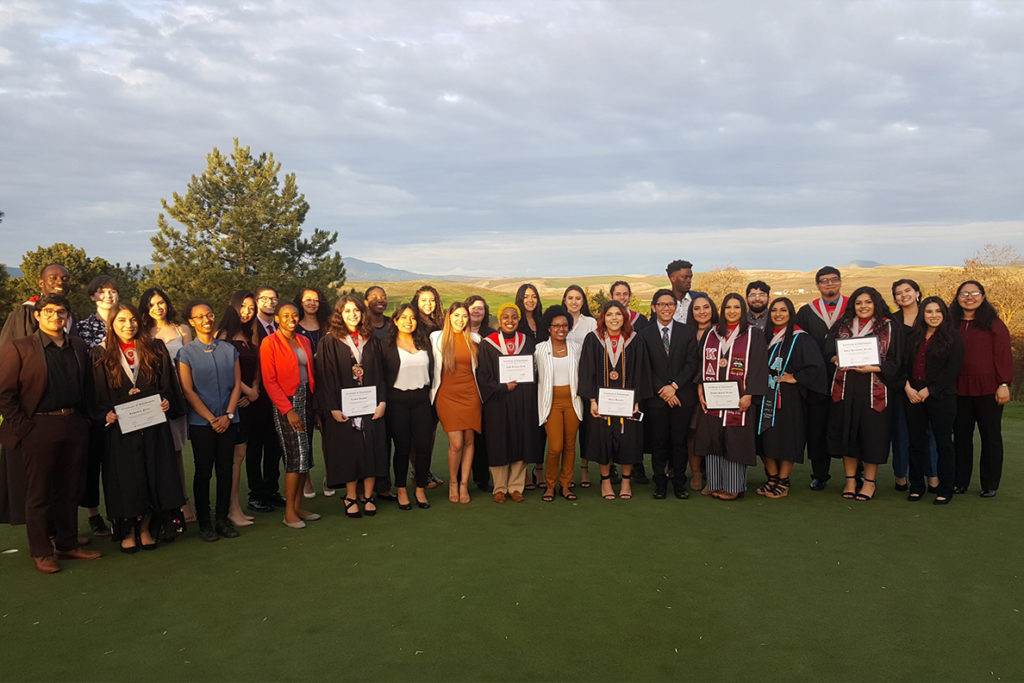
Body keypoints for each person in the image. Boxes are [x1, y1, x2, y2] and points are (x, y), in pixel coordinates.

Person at [0, 293, 101, 573]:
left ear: (67, 316)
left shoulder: (79, 347)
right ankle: (42, 550)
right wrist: (23, 427)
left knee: (70, 489)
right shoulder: (19, 348)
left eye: (61, 312)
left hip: (74, 425)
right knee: (39, 493)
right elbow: (5, 394)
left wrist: (86, 422)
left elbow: (88, 390)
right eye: (50, 312)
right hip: (38, 427)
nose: (56, 317)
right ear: (38, 315)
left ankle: (67, 545)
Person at [90, 303, 185, 552]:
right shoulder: (101, 354)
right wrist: (106, 415)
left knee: (155, 476)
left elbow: (168, 385)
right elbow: (96, 395)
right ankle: (129, 530)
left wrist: (167, 402)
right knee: (127, 481)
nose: (128, 325)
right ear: (111, 324)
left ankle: (147, 529)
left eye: (132, 320)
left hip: (154, 427)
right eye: (121, 320)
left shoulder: (155, 349)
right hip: (121, 431)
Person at [0, 263, 73, 529]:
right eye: (53, 277)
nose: (59, 281)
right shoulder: (22, 314)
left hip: (66, 418)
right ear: (40, 283)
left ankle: (64, 539)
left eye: (64, 278)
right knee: (36, 488)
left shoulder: (68, 316)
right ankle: (44, 544)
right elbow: (7, 375)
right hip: (33, 416)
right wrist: (22, 424)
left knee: (65, 485)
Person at [825, 286, 902, 502]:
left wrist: (874, 367)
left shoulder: (889, 327)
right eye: (859, 303)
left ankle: (869, 482)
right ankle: (850, 479)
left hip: (875, 389)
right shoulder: (843, 325)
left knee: (872, 437)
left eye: (868, 302)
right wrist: (835, 359)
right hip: (846, 389)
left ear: (876, 303)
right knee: (848, 434)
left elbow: (897, 361)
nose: (863, 306)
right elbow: (828, 350)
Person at [315, 296, 388, 518]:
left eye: (356, 310)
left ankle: (368, 496)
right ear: (340, 315)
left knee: (372, 449)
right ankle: (350, 496)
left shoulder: (371, 340)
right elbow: (325, 378)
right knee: (349, 451)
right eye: (347, 311)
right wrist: (332, 408)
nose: (353, 315)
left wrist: (382, 401)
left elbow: (382, 374)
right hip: (344, 408)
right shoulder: (329, 342)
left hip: (371, 405)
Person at [177, 301, 242, 542]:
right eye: (200, 317)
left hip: (229, 420)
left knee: (225, 471)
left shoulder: (228, 349)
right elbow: (188, 390)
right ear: (192, 322)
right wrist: (211, 418)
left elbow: (236, 385)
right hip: (202, 424)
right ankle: (205, 522)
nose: (206, 319)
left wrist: (228, 415)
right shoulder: (186, 353)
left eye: (210, 315)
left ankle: (222, 519)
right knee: (203, 472)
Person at [695, 294, 768, 501]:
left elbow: (759, 366)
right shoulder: (712, 333)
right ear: (722, 309)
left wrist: (749, 394)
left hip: (739, 401)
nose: (732, 311)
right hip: (713, 399)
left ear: (743, 310)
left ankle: (734, 486)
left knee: (735, 442)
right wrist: (700, 388)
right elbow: (700, 363)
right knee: (713, 440)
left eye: (737, 307)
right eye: (728, 307)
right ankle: (714, 483)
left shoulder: (753, 334)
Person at [578, 301, 652, 501]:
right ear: (603, 317)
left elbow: (640, 373)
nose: (614, 318)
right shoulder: (593, 339)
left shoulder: (635, 340)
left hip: (627, 404)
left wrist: (636, 401)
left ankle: (626, 481)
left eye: (618, 314)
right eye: (609, 314)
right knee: (603, 441)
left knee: (628, 440)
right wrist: (592, 400)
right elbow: (587, 372)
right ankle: (606, 481)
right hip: (601, 404)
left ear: (624, 317)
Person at [755, 298, 827, 498]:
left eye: (783, 310)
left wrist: (795, 377)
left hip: (787, 398)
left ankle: (784, 480)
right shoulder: (763, 336)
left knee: (786, 438)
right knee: (762, 436)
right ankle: (772, 477)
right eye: (775, 310)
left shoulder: (800, 338)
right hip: (762, 395)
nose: (778, 314)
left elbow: (816, 366)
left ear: (791, 313)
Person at [950, 280, 1013, 497]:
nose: (969, 297)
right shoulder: (950, 324)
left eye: (974, 293)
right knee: (960, 438)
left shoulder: (994, 324)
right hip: (958, 390)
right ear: (957, 298)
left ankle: (989, 484)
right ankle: (960, 481)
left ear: (983, 297)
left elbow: (1003, 356)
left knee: (990, 437)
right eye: (964, 293)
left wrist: (1004, 384)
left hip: (989, 390)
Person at [139, 287, 197, 525]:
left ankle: (183, 502)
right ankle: (157, 505)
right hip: (150, 398)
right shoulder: (141, 333)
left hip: (177, 395)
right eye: (152, 304)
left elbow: (191, 362)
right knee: (152, 453)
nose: (157, 307)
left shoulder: (181, 329)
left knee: (175, 451)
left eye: (161, 302)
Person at [260, 303, 320, 528]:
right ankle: (288, 513)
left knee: (306, 456)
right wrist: (288, 410)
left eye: (294, 314)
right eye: (286, 315)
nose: (291, 318)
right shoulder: (270, 343)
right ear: (277, 318)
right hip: (287, 403)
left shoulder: (303, 340)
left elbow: (311, 373)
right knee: (295, 457)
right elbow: (270, 381)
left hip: (307, 400)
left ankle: (298, 506)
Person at [476, 303, 539, 503]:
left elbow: (533, 373)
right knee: (498, 442)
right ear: (499, 320)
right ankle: (499, 487)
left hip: (522, 399)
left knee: (520, 440)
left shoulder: (527, 342)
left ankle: (516, 486)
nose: (510, 321)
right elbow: (483, 377)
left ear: (518, 320)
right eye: (506, 317)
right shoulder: (488, 344)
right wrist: (503, 387)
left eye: (514, 317)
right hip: (497, 401)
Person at [903, 297, 963, 505]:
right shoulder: (913, 336)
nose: (933, 315)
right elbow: (902, 365)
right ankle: (917, 486)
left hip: (941, 396)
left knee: (943, 443)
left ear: (944, 314)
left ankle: (946, 488)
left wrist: (930, 390)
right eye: (929, 311)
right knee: (916, 442)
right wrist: (908, 387)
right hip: (912, 394)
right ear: (923, 314)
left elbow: (952, 370)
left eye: (938, 311)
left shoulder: (953, 337)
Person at [639, 289, 698, 500]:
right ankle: (660, 483)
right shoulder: (644, 335)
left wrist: (674, 386)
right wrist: (662, 390)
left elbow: (692, 363)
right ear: (654, 307)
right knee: (659, 442)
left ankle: (680, 483)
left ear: (676, 307)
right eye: (662, 304)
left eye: (670, 304)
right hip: (656, 399)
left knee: (679, 442)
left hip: (682, 397)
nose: (666, 308)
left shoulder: (688, 332)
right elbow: (645, 367)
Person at [794, 266, 849, 491]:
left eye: (833, 280)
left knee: (850, 424)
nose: (829, 284)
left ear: (840, 282)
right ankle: (819, 474)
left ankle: (858, 473)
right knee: (817, 427)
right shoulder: (806, 312)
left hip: (848, 378)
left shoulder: (853, 307)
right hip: (816, 380)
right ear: (817, 285)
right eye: (824, 281)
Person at [76, 276, 120, 537]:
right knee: (93, 463)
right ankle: (94, 515)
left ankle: (123, 513)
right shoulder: (82, 328)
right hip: (95, 404)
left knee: (121, 463)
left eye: (113, 291)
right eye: (102, 292)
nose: (108, 296)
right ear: (93, 297)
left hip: (126, 400)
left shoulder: (127, 322)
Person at [213, 291, 260, 527]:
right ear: (233, 307)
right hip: (231, 403)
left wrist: (254, 390)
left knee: (240, 456)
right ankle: (230, 509)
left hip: (249, 402)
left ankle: (236, 507)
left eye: (251, 308)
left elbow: (257, 366)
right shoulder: (222, 336)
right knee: (232, 459)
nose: (247, 311)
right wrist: (245, 391)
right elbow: (224, 370)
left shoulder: (251, 334)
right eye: (243, 307)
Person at [381, 304, 433, 510]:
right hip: (397, 401)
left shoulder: (424, 342)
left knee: (423, 447)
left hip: (421, 400)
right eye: (403, 318)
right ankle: (401, 489)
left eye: (412, 318)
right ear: (395, 321)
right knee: (402, 447)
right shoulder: (386, 345)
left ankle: (420, 488)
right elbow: (381, 377)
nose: (408, 321)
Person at [430, 301, 482, 504]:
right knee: (456, 443)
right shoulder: (437, 338)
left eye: (464, 316)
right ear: (449, 317)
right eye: (456, 316)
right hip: (447, 396)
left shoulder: (475, 339)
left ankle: (464, 485)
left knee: (469, 441)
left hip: (471, 395)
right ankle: (453, 482)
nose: (461, 320)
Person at [889, 279, 938, 492]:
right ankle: (901, 477)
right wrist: (906, 386)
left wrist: (928, 387)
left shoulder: (930, 316)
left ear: (918, 292)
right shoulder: (891, 322)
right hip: (900, 386)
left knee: (930, 434)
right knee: (901, 434)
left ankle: (933, 476)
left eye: (908, 290)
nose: (904, 295)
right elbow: (888, 357)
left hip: (928, 388)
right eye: (898, 293)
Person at [535, 306, 583, 502]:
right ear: (549, 328)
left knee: (570, 446)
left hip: (572, 401)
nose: (561, 329)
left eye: (564, 325)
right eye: (556, 326)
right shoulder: (539, 350)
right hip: (551, 403)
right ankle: (550, 485)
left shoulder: (577, 348)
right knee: (555, 446)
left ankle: (565, 485)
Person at [247, 286, 285, 512]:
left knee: (275, 447)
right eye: (265, 298)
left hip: (279, 397)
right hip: (256, 398)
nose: (270, 302)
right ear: (256, 301)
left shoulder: (281, 327)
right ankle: (256, 494)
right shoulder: (250, 328)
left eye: (274, 298)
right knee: (255, 448)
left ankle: (272, 489)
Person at [294, 287, 332, 498]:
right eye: (307, 299)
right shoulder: (294, 328)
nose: (312, 303)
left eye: (316, 300)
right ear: (300, 302)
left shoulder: (327, 326)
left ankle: (330, 476)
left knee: (330, 435)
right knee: (305, 436)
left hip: (327, 387)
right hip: (305, 389)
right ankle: (306, 479)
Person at [412, 285, 445, 490]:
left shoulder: (439, 324)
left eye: (432, 300)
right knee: (418, 433)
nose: (428, 304)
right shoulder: (413, 324)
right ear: (416, 302)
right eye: (424, 300)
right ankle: (419, 473)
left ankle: (426, 470)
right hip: (419, 383)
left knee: (430, 431)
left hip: (437, 383)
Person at [685, 294, 719, 491]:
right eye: (697, 308)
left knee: (713, 432)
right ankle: (696, 472)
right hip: (690, 390)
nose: (702, 312)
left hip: (715, 390)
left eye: (706, 307)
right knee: (692, 432)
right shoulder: (686, 333)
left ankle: (713, 474)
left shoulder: (720, 332)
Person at [464, 294, 494, 492]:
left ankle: (482, 478)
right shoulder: (457, 332)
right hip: (463, 392)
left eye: (481, 308)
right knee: (464, 436)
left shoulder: (492, 335)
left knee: (482, 436)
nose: (476, 311)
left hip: (486, 393)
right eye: (473, 308)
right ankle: (460, 477)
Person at [667, 260, 706, 324]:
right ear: (672, 278)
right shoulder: (661, 303)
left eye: (690, 277)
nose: (689, 280)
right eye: (685, 277)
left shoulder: (700, 298)